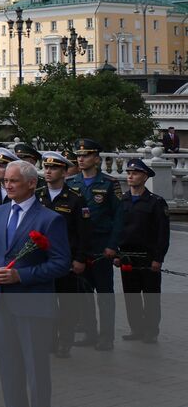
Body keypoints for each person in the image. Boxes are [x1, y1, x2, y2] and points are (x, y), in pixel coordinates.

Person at [0, 158, 70, 407]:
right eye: (6, 181)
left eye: (14, 181)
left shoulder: (49, 219)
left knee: (35, 370)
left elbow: (60, 263)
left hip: (32, 304)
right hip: (1, 302)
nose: (8, 185)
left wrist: (21, 275)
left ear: (32, 183)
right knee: (10, 368)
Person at [67, 138, 122, 351]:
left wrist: (113, 246)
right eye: (79, 156)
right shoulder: (72, 183)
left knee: (105, 294)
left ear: (96, 159)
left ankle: (106, 337)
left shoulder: (109, 183)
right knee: (84, 293)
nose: (81, 159)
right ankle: (90, 333)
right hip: (81, 248)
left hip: (102, 246)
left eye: (86, 155)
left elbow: (119, 217)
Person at [36, 151, 89, 358]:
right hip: (42, 260)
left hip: (66, 261)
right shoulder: (37, 195)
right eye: (46, 167)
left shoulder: (75, 199)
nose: (48, 171)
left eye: (54, 168)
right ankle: (49, 340)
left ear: (65, 172)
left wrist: (80, 258)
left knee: (67, 303)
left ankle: (65, 340)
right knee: (45, 303)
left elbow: (84, 233)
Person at [113, 158, 171, 343]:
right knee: (131, 297)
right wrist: (115, 252)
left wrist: (158, 258)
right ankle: (136, 329)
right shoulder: (122, 200)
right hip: (127, 257)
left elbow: (163, 234)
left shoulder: (156, 202)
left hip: (148, 257)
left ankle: (151, 331)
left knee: (151, 297)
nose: (130, 176)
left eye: (135, 173)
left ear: (145, 177)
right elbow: (116, 229)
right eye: (129, 173)